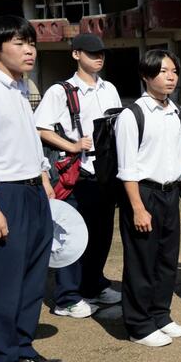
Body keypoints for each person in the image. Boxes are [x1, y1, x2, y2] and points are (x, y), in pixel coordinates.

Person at [0, 15, 64, 362]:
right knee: (0, 288)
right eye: (19, 43)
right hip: (2, 196)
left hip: (31, 192)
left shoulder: (20, 89)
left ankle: (21, 350)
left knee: (30, 280)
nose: (29, 49)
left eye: (31, 42)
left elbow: (26, 142)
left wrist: (43, 178)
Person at [33, 33, 123, 319]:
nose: (98, 57)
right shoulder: (61, 91)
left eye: (101, 53)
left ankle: (94, 284)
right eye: (91, 52)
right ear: (76, 54)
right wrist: (72, 145)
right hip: (76, 172)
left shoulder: (109, 88)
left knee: (102, 233)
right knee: (73, 235)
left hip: (105, 172)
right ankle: (67, 297)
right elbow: (40, 128)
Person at [115, 49, 181, 347]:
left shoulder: (179, 112)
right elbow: (127, 169)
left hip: (170, 192)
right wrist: (137, 208)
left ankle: (160, 315)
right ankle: (138, 324)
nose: (171, 76)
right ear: (147, 75)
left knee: (166, 259)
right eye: (163, 71)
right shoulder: (132, 115)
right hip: (143, 194)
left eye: (174, 71)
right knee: (141, 261)